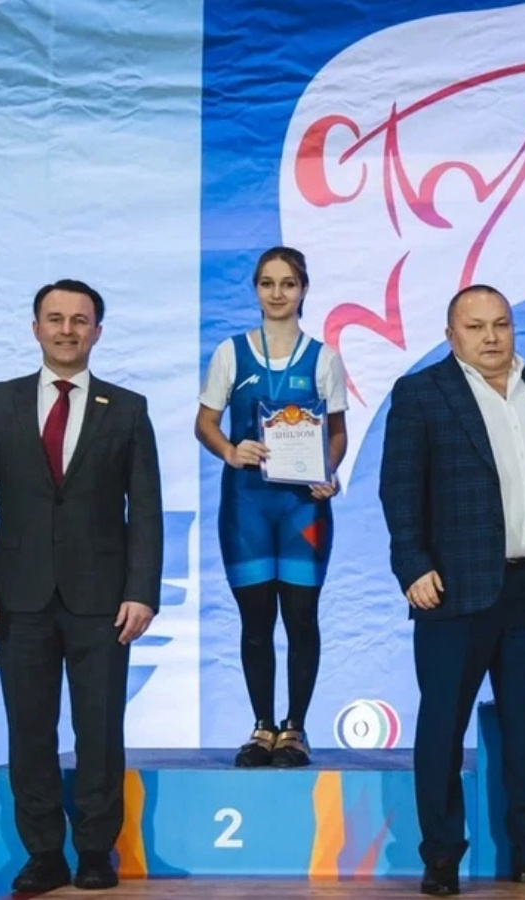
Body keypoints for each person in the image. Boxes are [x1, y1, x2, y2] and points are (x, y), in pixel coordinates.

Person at [379, 285, 525, 895]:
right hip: (453, 590)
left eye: (500, 324)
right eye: (475, 326)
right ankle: (441, 857)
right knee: (442, 728)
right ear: (450, 334)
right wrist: (412, 566)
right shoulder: (421, 393)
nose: (490, 337)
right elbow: (399, 489)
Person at [0, 279, 163, 893]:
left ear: (97, 331)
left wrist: (141, 590)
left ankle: (96, 850)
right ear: (36, 328)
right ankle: (44, 853)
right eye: (55, 318)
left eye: (79, 320)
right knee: (30, 729)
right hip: (16, 598)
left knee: (99, 730)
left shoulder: (127, 409)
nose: (67, 330)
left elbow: (145, 511)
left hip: (104, 600)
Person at [196, 246, 347, 768]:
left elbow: (337, 433)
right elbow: (205, 423)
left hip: (304, 509)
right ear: (256, 290)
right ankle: (263, 727)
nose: (277, 293)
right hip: (247, 508)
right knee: (255, 622)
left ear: (303, 290)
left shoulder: (324, 358)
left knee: (302, 619)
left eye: (288, 283)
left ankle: (295, 729)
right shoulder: (230, 353)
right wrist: (229, 450)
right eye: (267, 283)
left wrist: (327, 470)